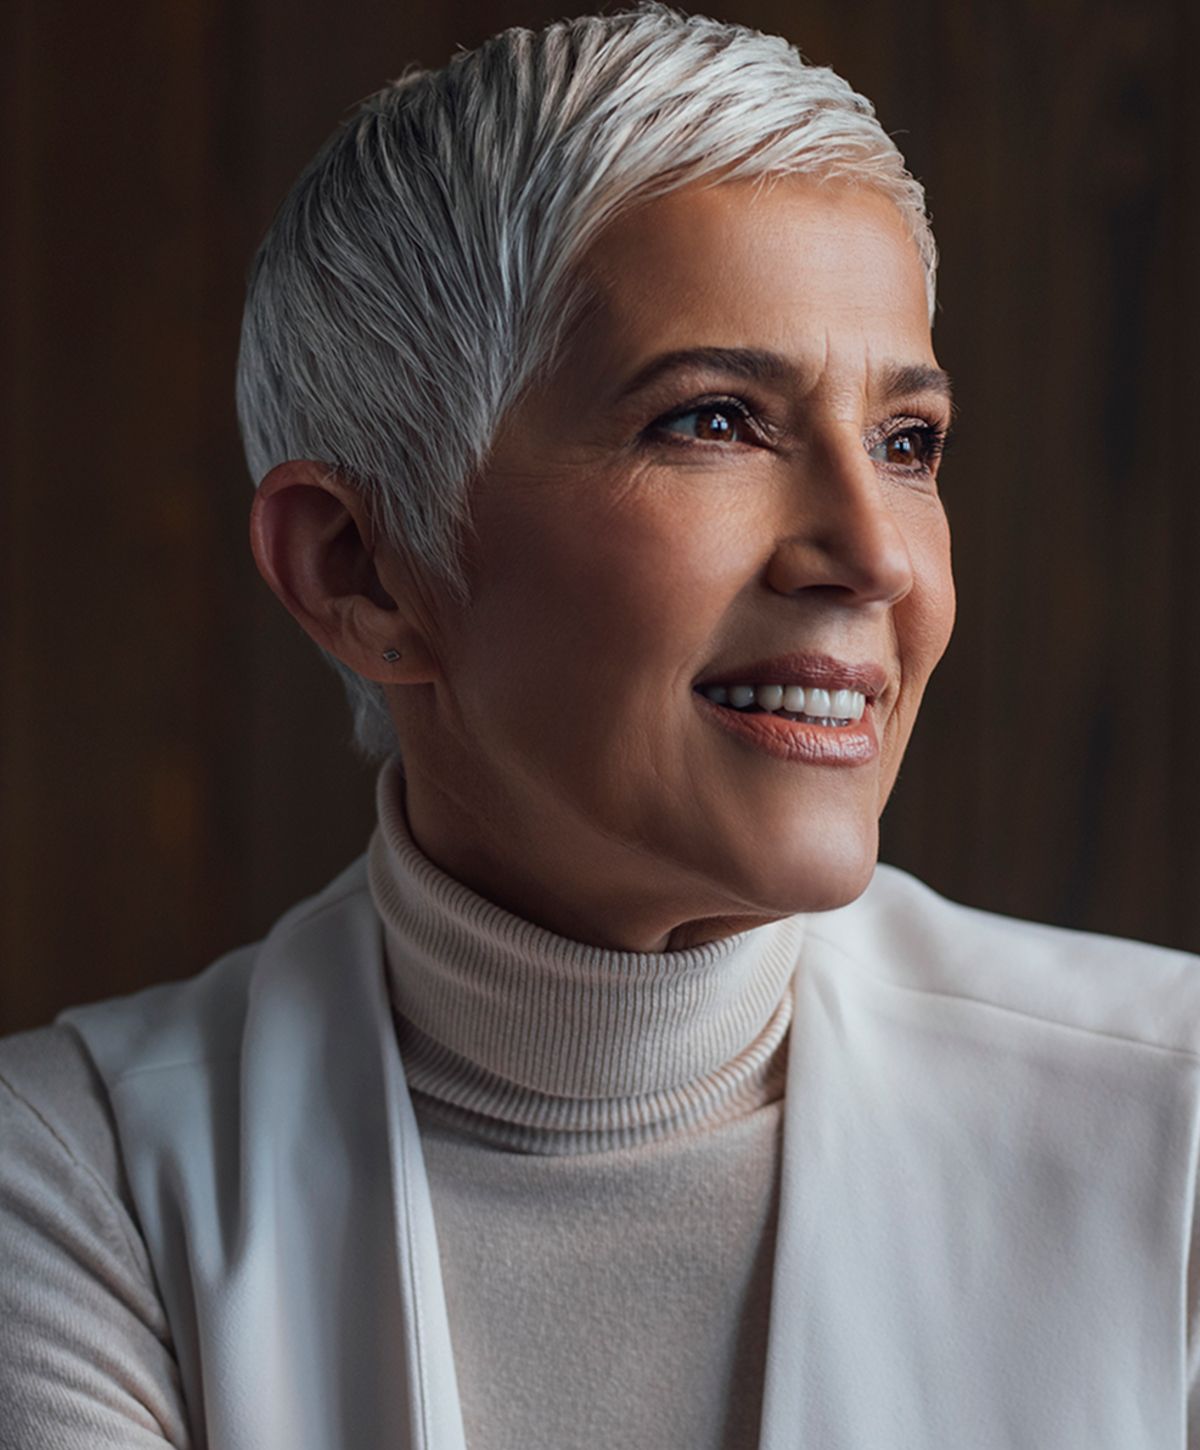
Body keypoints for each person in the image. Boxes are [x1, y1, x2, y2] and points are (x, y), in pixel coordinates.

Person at [2, 6, 1198, 1447]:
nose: (875, 554)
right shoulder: (79, 1189)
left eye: (907, 443)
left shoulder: (1173, 1135)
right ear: (360, 572)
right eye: (713, 421)